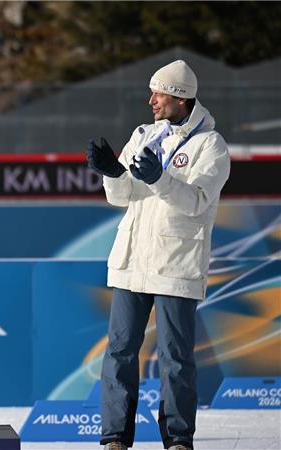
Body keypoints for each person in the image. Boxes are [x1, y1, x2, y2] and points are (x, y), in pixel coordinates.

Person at [86, 60, 230, 450]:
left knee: (176, 357)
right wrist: (112, 173)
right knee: (118, 351)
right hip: (133, 262)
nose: (151, 100)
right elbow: (123, 198)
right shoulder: (145, 134)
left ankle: (178, 439)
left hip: (176, 265)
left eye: (159, 93)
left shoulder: (210, 145)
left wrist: (159, 179)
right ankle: (115, 437)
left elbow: (198, 202)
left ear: (180, 97)